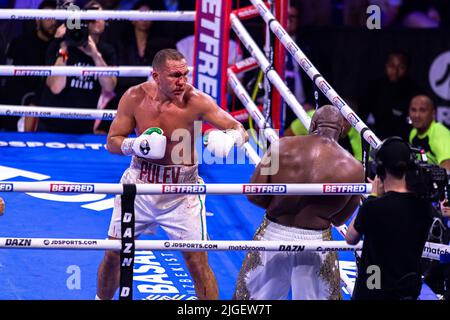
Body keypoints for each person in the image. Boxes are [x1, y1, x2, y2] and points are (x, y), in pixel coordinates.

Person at [96, 48, 248, 300]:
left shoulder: (197, 101)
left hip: (182, 192)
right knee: (113, 253)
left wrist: (230, 138)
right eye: (175, 76)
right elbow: (112, 142)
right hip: (140, 185)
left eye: (185, 74)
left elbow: (238, 128)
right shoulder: (134, 97)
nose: (182, 81)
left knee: (197, 262)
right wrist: (135, 145)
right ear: (156, 76)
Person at [234, 105, 364, 300]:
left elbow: (254, 194)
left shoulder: (282, 146)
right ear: (343, 130)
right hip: (316, 242)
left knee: (250, 303)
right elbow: (339, 220)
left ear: (312, 124)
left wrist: (278, 204)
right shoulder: (354, 168)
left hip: (273, 233)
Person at [346, 137, 434, 300]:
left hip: (374, 285)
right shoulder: (424, 207)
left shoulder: (373, 207)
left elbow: (350, 238)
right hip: (406, 290)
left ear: (380, 168)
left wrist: (373, 196)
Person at [37, 0, 117, 134]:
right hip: (51, 125)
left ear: (105, 22)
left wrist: (95, 56)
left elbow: (109, 86)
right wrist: (64, 48)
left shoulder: (107, 51)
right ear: (83, 20)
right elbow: (56, 87)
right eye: (92, 17)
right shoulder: (60, 44)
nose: (96, 20)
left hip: (84, 127)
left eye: (100, 16)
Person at [0, 0, 57, 132]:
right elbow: (11, 81)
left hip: (47, 98)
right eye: (48, 18)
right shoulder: (21, 43)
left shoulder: (58, 45)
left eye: (55, 18)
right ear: (37, 20)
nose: (52, 22)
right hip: (21, 98)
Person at [358, 51, 421, 140]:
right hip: (376, 140)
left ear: (407, 69)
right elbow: (361, 114)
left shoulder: (415, 93)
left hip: (404, 142)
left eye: (401, 67)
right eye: (392, 66)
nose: (395, 71)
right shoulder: (375, 88)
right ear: (386, 66)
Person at [408, 94, 450, 172]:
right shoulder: (413, 133)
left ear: (433, 113)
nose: (417, 115)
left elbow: (447, 170)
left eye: (422, 110)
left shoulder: (440, 134)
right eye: (413, 110)